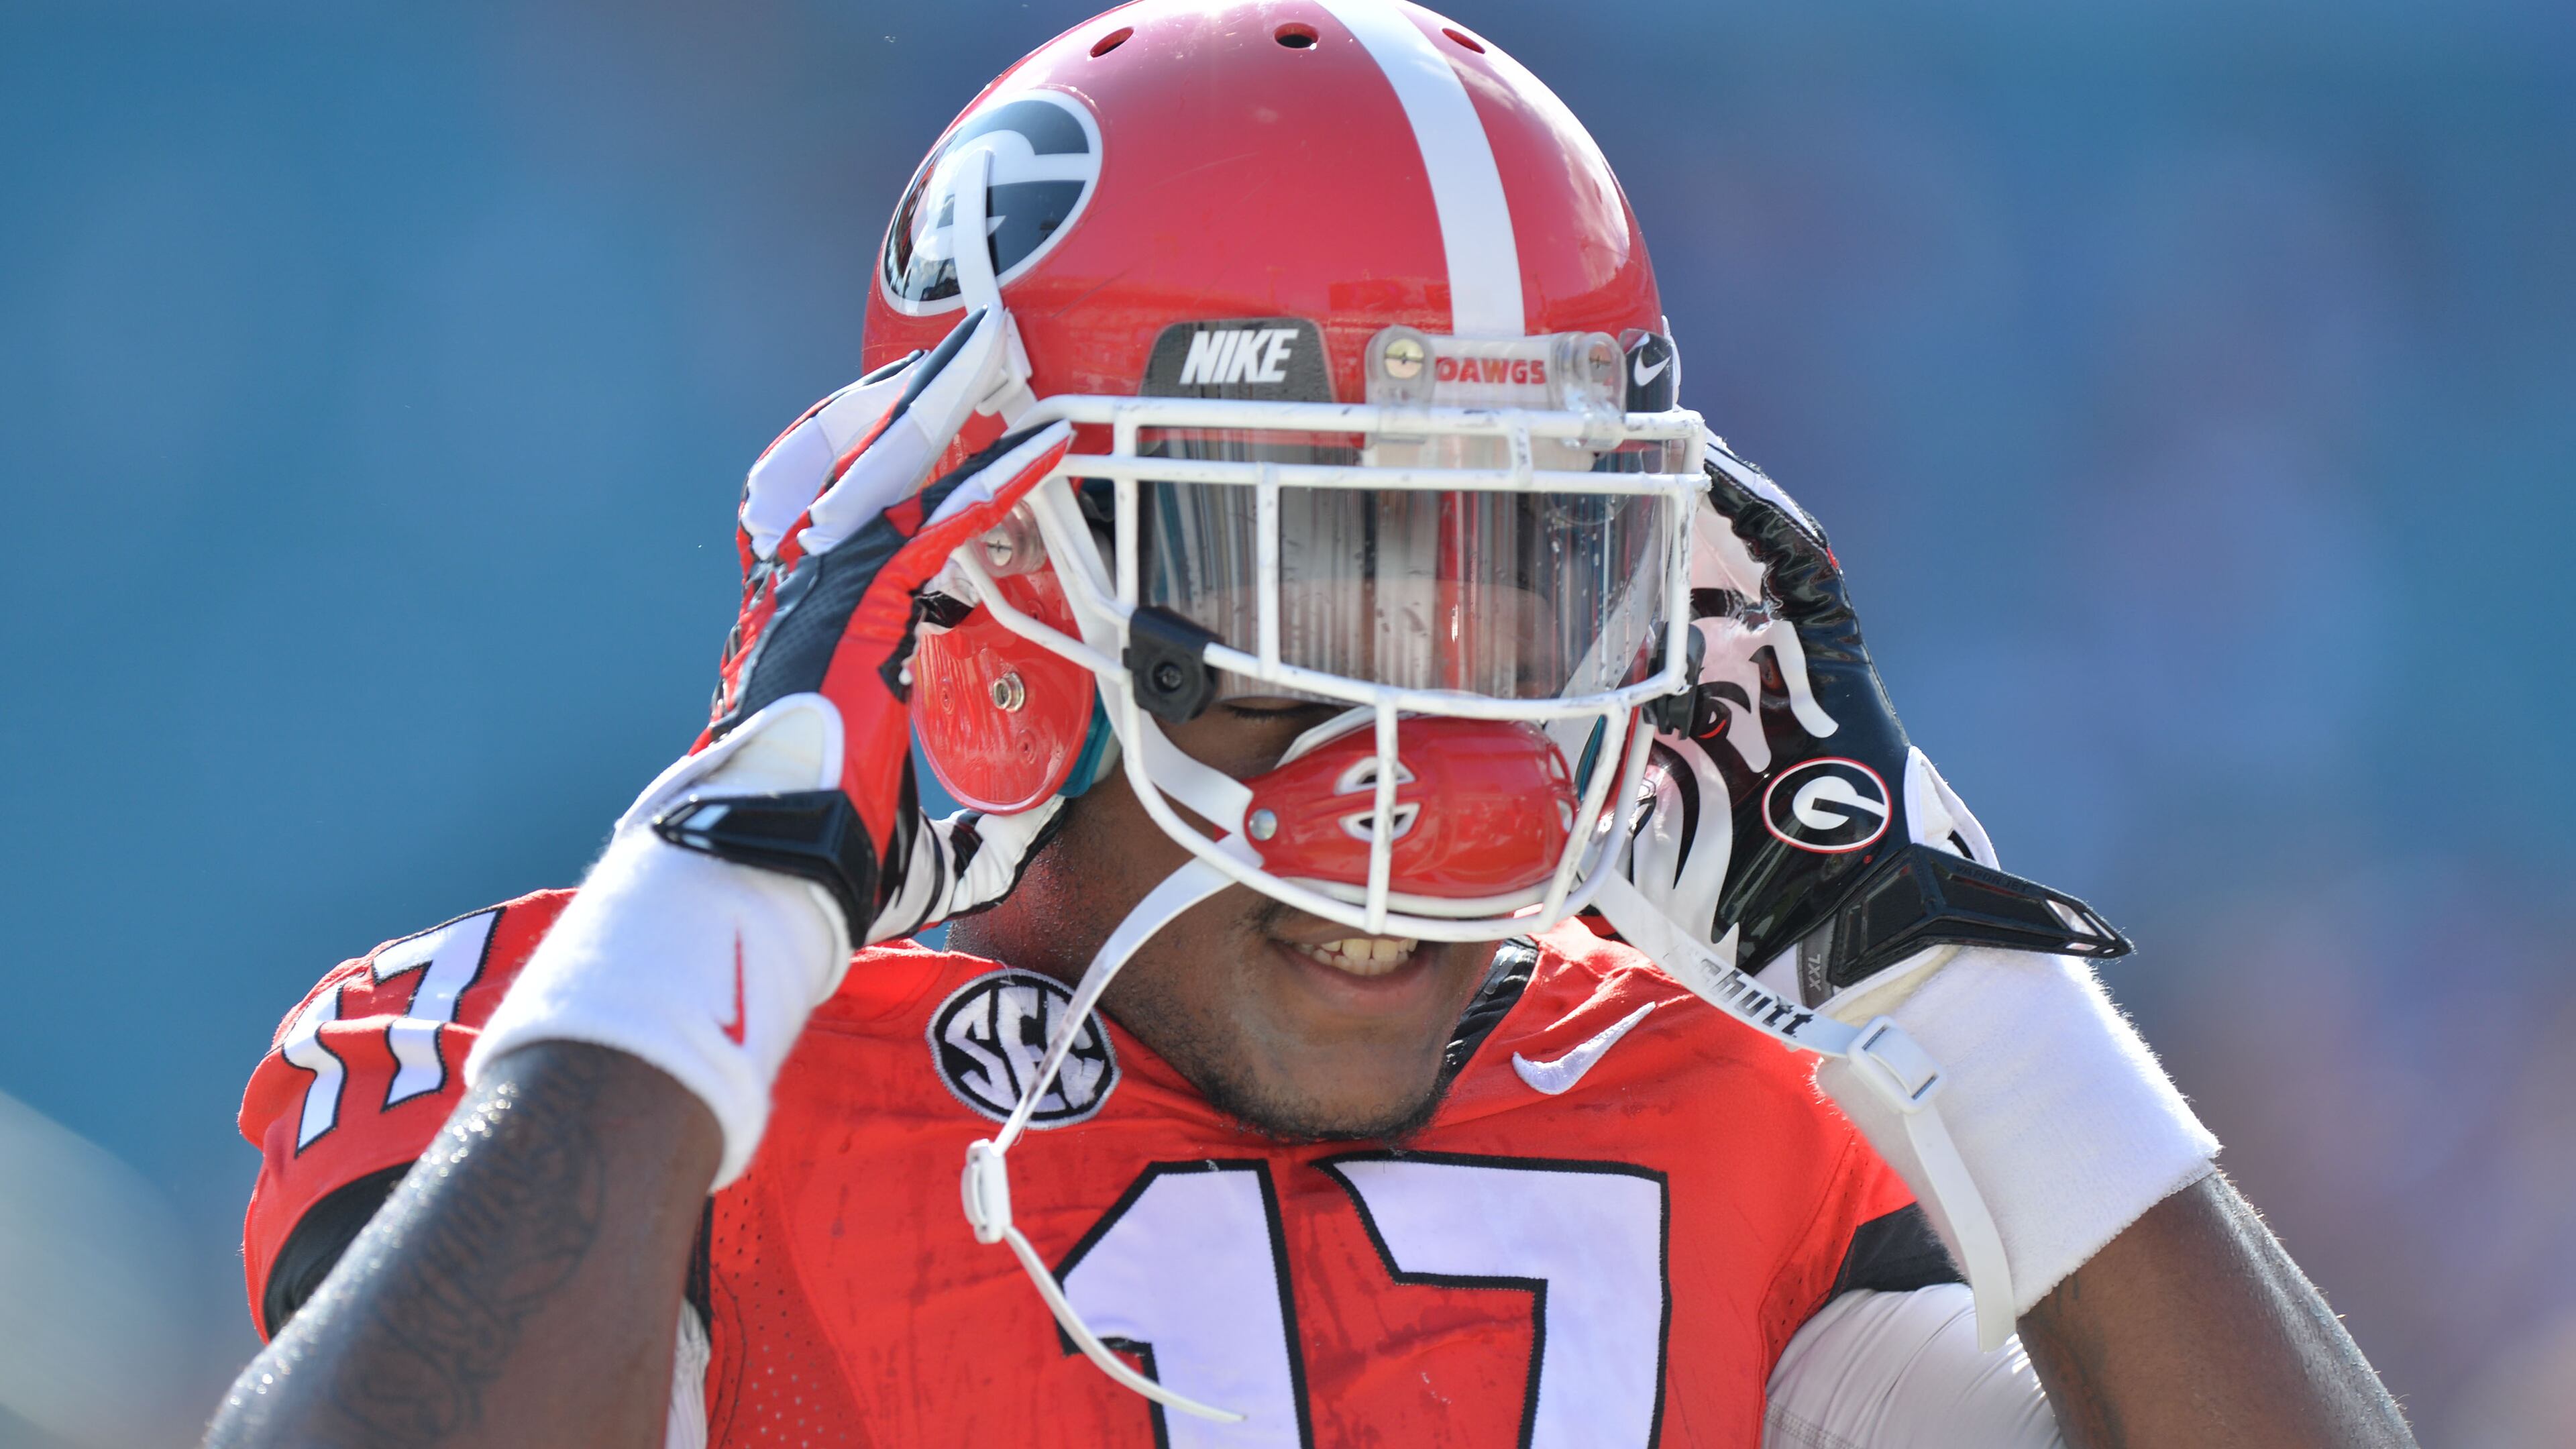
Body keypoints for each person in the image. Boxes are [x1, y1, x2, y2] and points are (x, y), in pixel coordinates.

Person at [204, 3, 2415, 1445]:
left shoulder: (1730, 1124)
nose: (1433, 756)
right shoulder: (621, 1111)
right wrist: (726, 907)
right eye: (1332, 592)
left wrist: (1953, 970)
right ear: (996, 585)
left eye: (1525, 590)